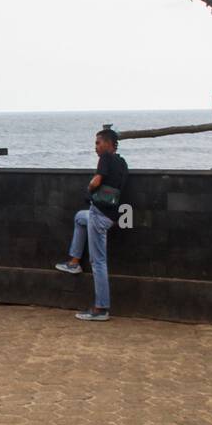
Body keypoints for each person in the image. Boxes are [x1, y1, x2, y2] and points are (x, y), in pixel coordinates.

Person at [55, 127, 128, 321]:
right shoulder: (122, 163)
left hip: (99, 214)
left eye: (98, 142)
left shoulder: (105, 158)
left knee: (98, 262)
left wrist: (89, 188)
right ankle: (74, 262)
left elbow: (96, 181)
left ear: (108, 144)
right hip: (110, 216)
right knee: (80, 217)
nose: (96, 147)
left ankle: (101, 308)